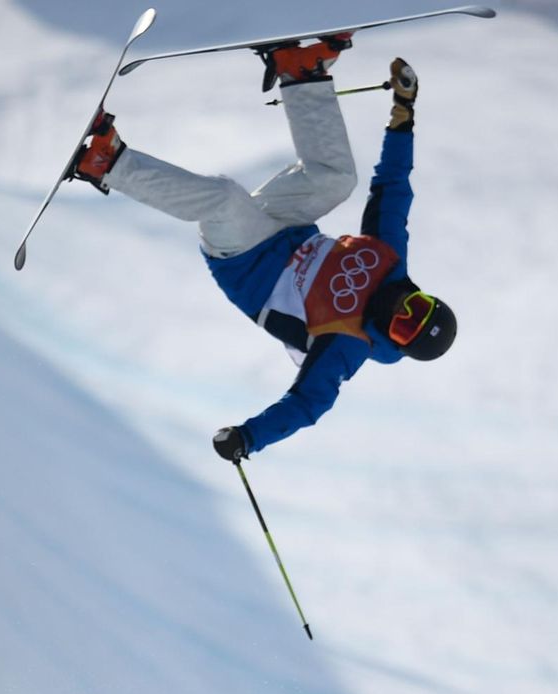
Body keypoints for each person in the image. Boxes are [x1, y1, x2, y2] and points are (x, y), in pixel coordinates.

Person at [72, 40, 457, 461]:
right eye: (417, 306)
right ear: (422, 294)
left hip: (248, 263)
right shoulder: (389, 260)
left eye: (404, 327)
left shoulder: (347, 344)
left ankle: (106, 163)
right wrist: (403, 114)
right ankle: (301, 72)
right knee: (337, 179)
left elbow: (308, 404)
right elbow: (393, 186)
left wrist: (248, 437)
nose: (402, 310)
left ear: (396, 343)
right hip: (290, 228)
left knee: (224, 199)